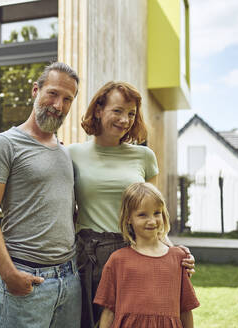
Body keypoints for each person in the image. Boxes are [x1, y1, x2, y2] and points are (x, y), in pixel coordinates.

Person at [67, 81, 195, 327]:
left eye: (131, 114)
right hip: (90, 256)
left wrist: (175, 252)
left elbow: (154, 213)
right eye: (117, 111)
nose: (125, 120)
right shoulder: (72, 155)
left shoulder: (144, 157)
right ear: (98, 110)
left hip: (136, 252)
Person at [0, 62, 81, 328]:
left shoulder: (65, 152)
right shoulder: (4, 145)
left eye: (68, 99)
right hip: (26, 278)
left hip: (69, 278)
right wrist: (9, 274)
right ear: (35, 90)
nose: (58, 105)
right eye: (53, 94)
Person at [94, 182, 199, 328]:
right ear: (128, 218)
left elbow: (186, 309)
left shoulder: (178, 258)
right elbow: (108, 311)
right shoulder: (117, 260)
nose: (152, 221)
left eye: (157, 213)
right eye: (142, 215)